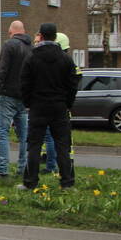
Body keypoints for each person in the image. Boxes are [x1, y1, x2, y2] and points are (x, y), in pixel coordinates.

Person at [19, 23, 80, 190]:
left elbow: (24, 83)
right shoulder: (65, 58)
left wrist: (29, 103)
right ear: (55, 37)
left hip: (38, 107)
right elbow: (73, 84)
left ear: (42, 36)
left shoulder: (31, 57)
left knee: (34, 145)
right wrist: (68, 103)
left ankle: (30, 182)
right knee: (62, 145)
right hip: (59, 107)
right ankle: (67, 182)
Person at [0, 20, 33, 178]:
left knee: (2, 132)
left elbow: (2, 69)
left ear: (11, 32)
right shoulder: (31, 48)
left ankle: (3, 170)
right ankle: (23, 169)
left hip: (8, 95)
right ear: (24, 31)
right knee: (23, 136)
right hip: (24, 97)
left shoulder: (9, 45)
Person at [40, 31, 74, 175]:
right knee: (60, 138)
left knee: (51, 137)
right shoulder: (67, 62)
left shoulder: (55, 63)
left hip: (50, 106)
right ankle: (63, 168)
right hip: (62, 107)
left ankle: (52, 165)